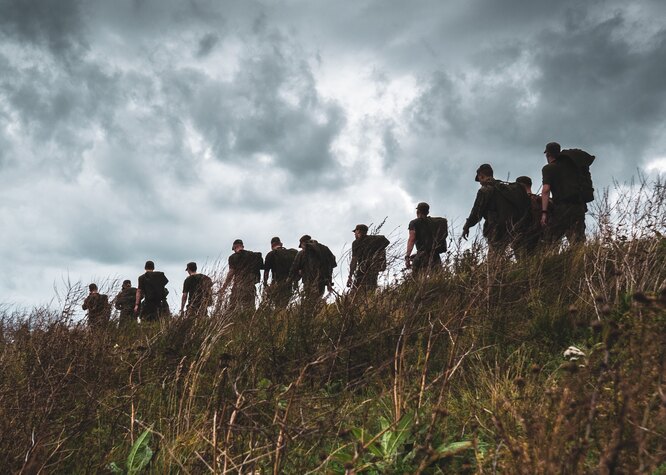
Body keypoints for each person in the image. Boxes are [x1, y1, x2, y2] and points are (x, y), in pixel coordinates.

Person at [462, 164, 530, 258]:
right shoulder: (504, 187)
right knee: (521, 256)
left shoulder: (485, 190)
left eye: (479, 179)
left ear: (481, 176)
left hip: (497, 229)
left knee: (494, 260)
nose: (480, 183)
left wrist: (467, 226)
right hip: (514, 226)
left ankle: (499, 272)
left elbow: (476, 212)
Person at [541, 142, 587, 244]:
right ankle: (581, 259)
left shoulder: (549, 168)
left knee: (550, 240)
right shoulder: (572, 167)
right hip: (578, 207)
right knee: (578, 241)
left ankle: (549, 259)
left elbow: (546, 190)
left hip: (562, 208)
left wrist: (544, 212)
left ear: (548, 154)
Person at [290, 235, 337, 300]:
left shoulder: (303, 253)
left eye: (301, 246)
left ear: (303, 243)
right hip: (322, 281)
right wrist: (329, 280)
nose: (302, 248)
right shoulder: (324, 249)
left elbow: (294, 267)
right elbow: (333, 263)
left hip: (309, 282)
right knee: (318, 300)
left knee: (309, 303)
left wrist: (294, 280)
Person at [220, 239, 262, 311]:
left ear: (235, 247)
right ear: (242, 246)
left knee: (233, 310)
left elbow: (231, 272)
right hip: (250, 286)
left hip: (238, 287)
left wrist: (224, 287)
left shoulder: (233, 257)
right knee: (250, 309)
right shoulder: (252, 255)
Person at [347, 224, 390, 293]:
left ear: (358, 231)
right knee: (371, 289)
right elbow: (386, 241)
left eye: (355, 232)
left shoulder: (356, 243)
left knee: (356, 291)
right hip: (373, 269)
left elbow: (354, 260)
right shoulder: (375, 239)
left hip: (362, 270)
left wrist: (350, 276)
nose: (354, 234)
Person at [405, 202, 441, 276]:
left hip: (422, 256)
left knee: (416, 281)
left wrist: (407, 256)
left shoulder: (414, 223)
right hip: (435, 256)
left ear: (417, 211)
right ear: (427, 212)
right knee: (437, 279)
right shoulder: (433, 223)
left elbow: (412, 239)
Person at [263, 237, 298, 308]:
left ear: (272, 246)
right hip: (289, 283)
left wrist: (265, 284)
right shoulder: (291, 253)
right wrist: (295, 283)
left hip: (277, 283)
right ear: (281, 244)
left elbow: (266, 271)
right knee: (284, 304)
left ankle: (279, 317)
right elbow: (296, 269)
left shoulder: (271, 254)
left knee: (278, 305)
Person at [514, 176, 543, 255]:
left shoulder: (519, 203)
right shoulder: (542, 200)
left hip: (523, 237)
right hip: (541, 236)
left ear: (520, 186)